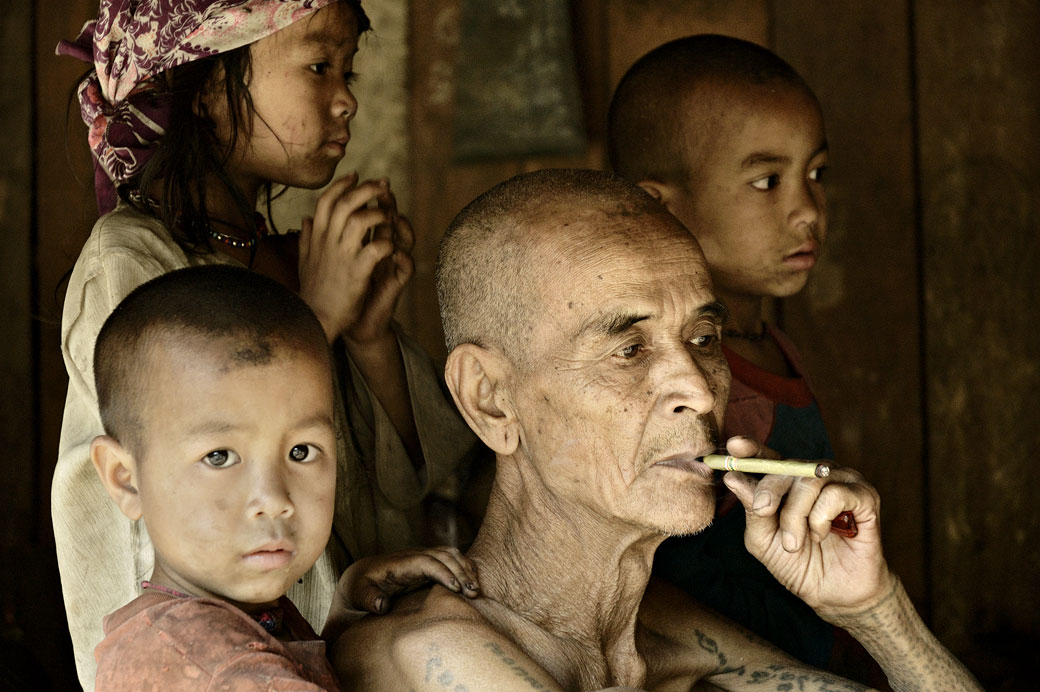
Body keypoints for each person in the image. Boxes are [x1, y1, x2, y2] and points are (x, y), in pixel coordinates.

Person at [330, 169, 981, 691]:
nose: (699, 391)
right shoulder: (438, 655)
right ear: (492, 401)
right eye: (629, 351)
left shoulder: (664, 635)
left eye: (702, 338)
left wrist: (874, 610)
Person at [53, 1, 477, 687]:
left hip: (335, 652)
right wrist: (322, 317)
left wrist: (366, 336)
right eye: (318, 66)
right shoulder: (128, 259)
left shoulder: (288, 257)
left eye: (350, 70)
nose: (346, 100)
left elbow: (411, 484)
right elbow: (146, 533)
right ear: (213, 89)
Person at [607, 34, 872, 676]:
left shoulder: (772, 348)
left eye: (816, 174)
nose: (807, 210)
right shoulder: (670, 377)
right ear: (659, 207)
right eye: (766, 181)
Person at [88, 265, 479, 690]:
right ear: (126, 479)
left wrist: (342, 622)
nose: (273, 498)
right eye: (219, 456)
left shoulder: (210, 627)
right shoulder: (213, 666)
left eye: (301, 452)